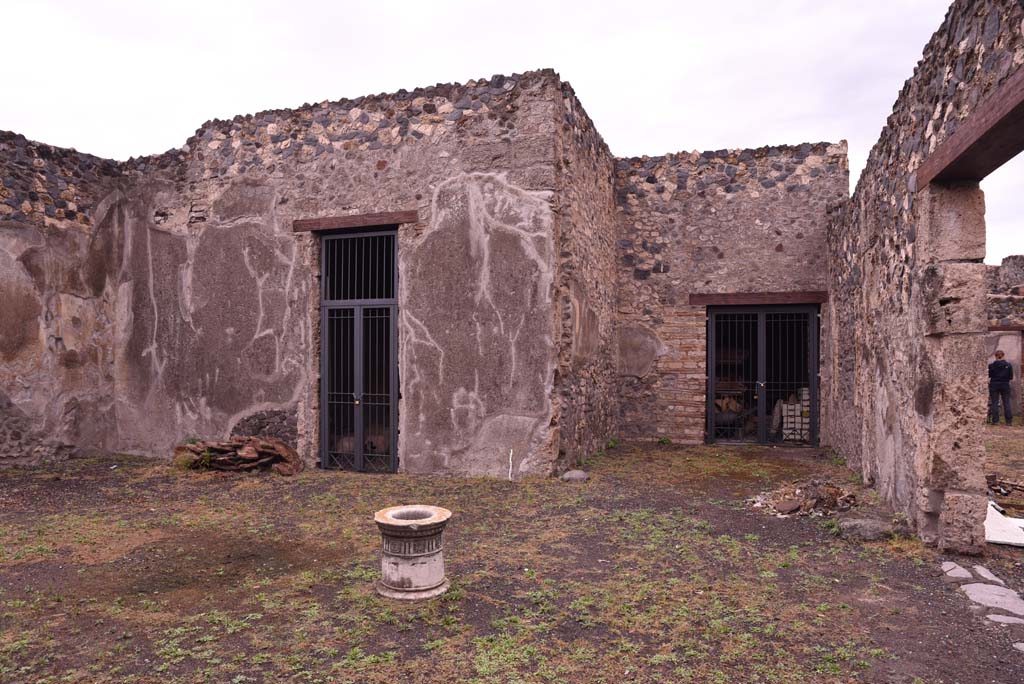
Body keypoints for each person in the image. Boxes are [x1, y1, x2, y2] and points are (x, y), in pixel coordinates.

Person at [988, 350, 1014, 425]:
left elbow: (989, 375)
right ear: (1003, 355)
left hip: (994, 384)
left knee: (994, 403)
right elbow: (1011, 377)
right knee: (1007, 403)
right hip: (1005, 384)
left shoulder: (991, 365)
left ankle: (995, 421)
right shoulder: (1008, 365)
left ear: (995, 356)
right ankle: (1009, 422)